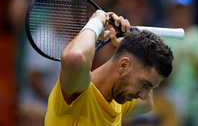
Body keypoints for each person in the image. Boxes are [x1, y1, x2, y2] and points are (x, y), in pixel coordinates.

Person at [45, 10, 173, 125]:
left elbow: (148, 104)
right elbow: (75, 57)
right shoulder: (77, 93)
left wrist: (133, 41)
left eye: (150, 87)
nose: (144, 96)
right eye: (144, 84)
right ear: (124, 65)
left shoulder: (118, 102)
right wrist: (96, 22)